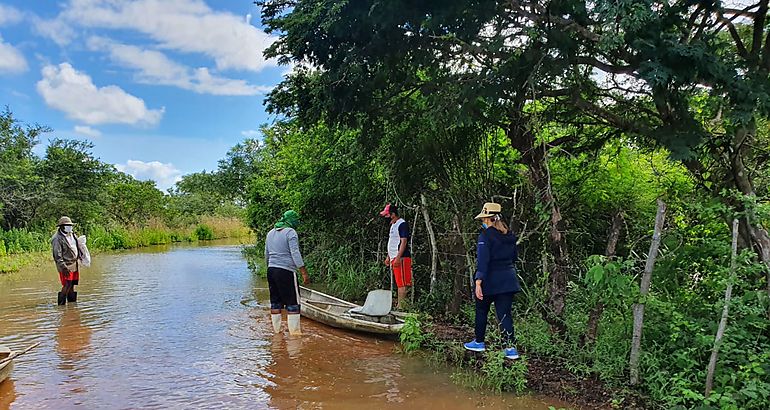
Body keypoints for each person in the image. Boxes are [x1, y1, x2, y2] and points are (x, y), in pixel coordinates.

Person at [463, 202, 521, 360]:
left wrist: (478, 281)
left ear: (487, 219)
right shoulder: (509, 235)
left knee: (482, 309)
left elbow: (483, 260)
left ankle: (479, 342)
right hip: (508, 280)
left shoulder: (485, 236)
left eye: (483, 219)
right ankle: (510, 349)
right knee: (505, 315)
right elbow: (514, 257)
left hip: (489, 280)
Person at [265, 210, 310, 336]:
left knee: (275, 303)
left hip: (271, 270)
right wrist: (304, 272)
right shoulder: (291, 232)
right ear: (292, 220)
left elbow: (266, 254)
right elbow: (295, 253)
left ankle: (277, 333)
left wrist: (269, 270)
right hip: (286, 271)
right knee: (293, 303)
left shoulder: (270, 233)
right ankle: (295, 336)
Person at [379, 203, 412, 309]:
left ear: (393, 214)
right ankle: (399, 305)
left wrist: (398, 257)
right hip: (393, 257)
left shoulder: (402, 224)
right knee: (399, 282)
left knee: (402, 283)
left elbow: (403, 241)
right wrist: (389, 256)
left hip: (401, 258)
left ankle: (401, 307)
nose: (385, 217)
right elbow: (392, 242)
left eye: (387, 215)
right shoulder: (393, 225)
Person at [51, 216, 81, 305]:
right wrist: (63, 267)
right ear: (61, 227)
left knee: (72, 285)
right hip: (65, 266)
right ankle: (61, 305)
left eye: (70, 225)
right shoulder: (57, 239)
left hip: (74, 264)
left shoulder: (72, 235)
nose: (69, 227)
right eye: (67, 225)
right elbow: (57, 255)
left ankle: (72, 305)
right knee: (66, 285)